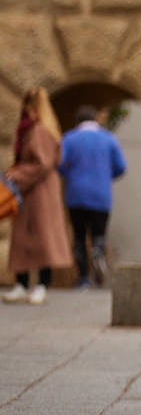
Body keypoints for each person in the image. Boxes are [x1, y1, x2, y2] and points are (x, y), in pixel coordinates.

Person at [2, 88, 72, 305]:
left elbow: (42, 163)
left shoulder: (40, 131)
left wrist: (16, 175)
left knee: (43, 239)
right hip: (32, 192)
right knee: (25, 239)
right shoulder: (36, 129)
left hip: (39, 192)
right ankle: (23, 284)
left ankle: (40, 284)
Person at [58, 104, 127, 288]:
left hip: (76, 194)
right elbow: (121, 167)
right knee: (99, 234)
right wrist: (105, 175)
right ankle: (98, 258)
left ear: (77, 120)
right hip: (101, 195)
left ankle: (83, 278)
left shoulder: (69, 139)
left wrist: (71, 175)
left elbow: (60, 164)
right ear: (95, 119)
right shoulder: (108, 139)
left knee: (79, 237)